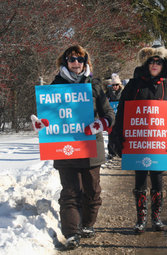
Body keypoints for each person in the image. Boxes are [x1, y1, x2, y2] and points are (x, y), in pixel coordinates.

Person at [31, 45, 115, 249]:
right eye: (71, 59)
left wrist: (100, 124)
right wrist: (40, 125)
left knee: (92, 191)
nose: (76, 63)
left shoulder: (94, 85)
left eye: (80, 59)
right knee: (70, 191)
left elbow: (110, 115)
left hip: (90, 148)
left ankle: (87, 224)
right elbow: (47, 116)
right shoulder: (55, 85)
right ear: (65, 61)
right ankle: (71, 232)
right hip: (64, 148)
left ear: (86, 62)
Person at [112, 46, 167, 233]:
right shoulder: (134, 85)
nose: (154, 65)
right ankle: (141, 219)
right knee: (140, 178)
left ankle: (156, 218)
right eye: (151, 61)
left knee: (158, 177)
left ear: (164, 64)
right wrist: (117, 135)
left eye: (158, 62)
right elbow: (121, 112)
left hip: (160, 141)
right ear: (146, 63)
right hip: (138, 141)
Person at [105, 73, 123, 159]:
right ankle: (111, 152)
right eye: (113, 85)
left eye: (117, 85)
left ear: (119, 85)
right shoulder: (107, 94)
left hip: (120, 118)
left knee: (120, 135)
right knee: (111, 136)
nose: (115, 86)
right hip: (111, 118)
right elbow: (103, 104)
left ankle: (121, 151)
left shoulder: (123, 93)